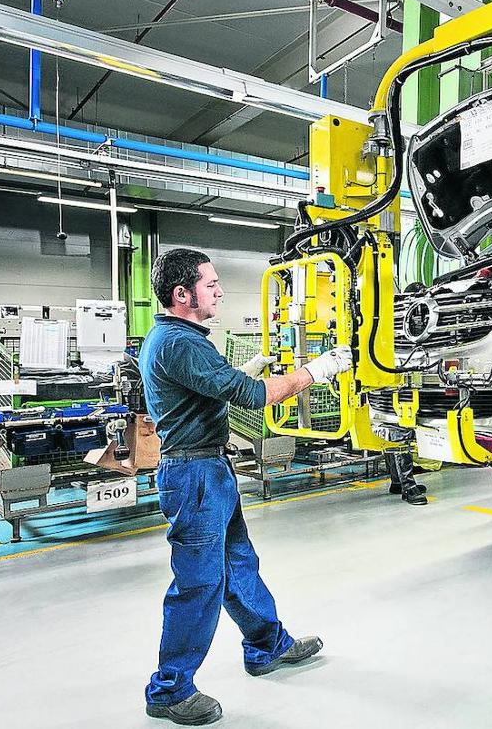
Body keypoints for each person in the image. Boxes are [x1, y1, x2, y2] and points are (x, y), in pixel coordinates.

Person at [141, 248, 352, 726]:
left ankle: (266, 646)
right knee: (198, 582)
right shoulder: (179, 342)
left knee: (237, 565)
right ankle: (169, 690)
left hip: (210, 469)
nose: (219, 291)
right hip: (193, 475)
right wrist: (314, 372)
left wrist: (251, 367)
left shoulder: (181, 336)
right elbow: (253, 398)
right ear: (182, 294)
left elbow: (217, 388)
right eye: (211, 284)